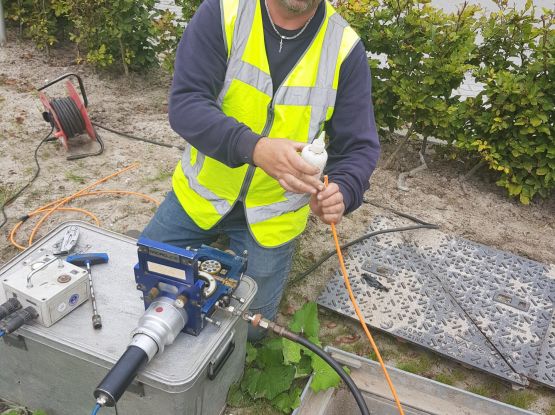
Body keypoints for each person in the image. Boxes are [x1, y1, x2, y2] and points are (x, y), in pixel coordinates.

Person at [141, 0, 380, 339]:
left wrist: (344, 188)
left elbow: (360, 146)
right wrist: (254, 148)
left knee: (249, 332)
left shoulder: (344, 48)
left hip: (274, 217)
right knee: (147, 281)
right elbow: (186, 104)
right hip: (200, 197)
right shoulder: (224, 13)